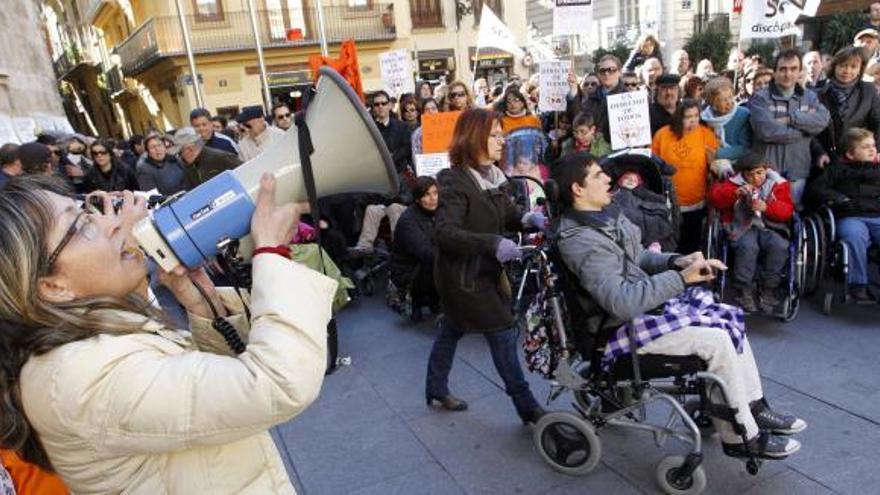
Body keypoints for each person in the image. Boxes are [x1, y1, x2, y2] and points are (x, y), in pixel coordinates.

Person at [0, 173, 335, 493]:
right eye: (82, 226)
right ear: (53, 287)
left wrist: (205, 307)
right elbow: (277, 383)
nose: (114, 222)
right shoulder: (80, 376)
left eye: (89, 212)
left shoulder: (93, 340)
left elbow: (209, 395)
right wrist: (271, 249)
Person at [552, 152, 805, 461]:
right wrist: (681, 278)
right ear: (578, 190)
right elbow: (622, 301)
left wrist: (677, 260)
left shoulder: (603, 214)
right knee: (717, 341)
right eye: (597, 176)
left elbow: (639, 257)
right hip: (618, 330)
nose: (608, 178)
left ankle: (753, 407)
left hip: (640, 313)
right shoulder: (581, 240)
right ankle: (741, 437)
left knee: (726, 316)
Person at [426, 108, 544, 424]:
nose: (501, 141)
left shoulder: (494, 176)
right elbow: (445, 232)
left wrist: (527, 219)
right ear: (474, 137)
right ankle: (528, 408)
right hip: (463, 278)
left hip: (484, 271)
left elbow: (506, 212)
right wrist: (492, 243)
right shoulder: (453, 180)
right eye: (494, 135)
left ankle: (435, 387)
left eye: (500, 134)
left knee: (452, 328)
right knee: (503, 331)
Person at [708, 153, 794, 312]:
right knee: (748, 247)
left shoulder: (778, 184)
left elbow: (788, 211)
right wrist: (734, 194)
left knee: (779, 246)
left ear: (766, 170)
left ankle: (768, 288)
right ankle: (744, 289)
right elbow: (715, 198)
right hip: (742, 226)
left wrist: (768, 208)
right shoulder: (734, 183)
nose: (756, 178)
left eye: (759, 173)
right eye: (750, 175)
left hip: (769, 226)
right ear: (743, 174)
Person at [807, 127, 880, 303]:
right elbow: (816, 189)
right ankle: (858, 285)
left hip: (877, 215)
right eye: (865, 147)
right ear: (850, 154)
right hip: (851, 216)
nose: (872, 149)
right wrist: (840, 198)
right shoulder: (837, 169)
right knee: (854, 236)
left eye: (873, 146)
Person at [750, 49, 830, 206]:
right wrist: (805, 130)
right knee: (768, 215)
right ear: (775, 72)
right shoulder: (761, 98)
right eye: (783, 69)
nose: (788, 74)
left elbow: (823, 120)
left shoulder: (810, 97)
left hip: (797, 170)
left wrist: (792, 118)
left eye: (793, 69)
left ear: (800, 71)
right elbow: (766, 131)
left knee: (793, 214)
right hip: (767, 172)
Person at [652, 99, 719, 254]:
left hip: (696, 199)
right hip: (670, 200)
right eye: (688, 116)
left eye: (696, 115)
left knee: (692, 242)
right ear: (679, 117)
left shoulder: (705, 134)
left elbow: (713, 162)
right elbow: (654, 163)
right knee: (672, 242)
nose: (693, 120)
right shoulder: (662, 135)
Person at [817, 46, 880, 166]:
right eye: (842, 65)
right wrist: (819, 153)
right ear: (834, 66)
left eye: (853, 66)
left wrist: (876, 150)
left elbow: (877, 122)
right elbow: (813, 131)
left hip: (860, 157)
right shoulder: (819, 94)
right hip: (828, 159)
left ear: (860, 69)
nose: (847, 71)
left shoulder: (868, 91)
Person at [390, 176, 440, 321]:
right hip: (409, 271)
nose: (433, 198)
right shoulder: (408, 221)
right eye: (427, 195)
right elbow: (425, 252)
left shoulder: (437, 212)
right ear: (418, 199)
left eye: (435, 193)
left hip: (425, 264)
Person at [702, 77, 753, 178]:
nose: (729, 102)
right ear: (713, 103)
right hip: (709, 167)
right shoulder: (705, 118)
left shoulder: (743, 114)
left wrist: (718, 153)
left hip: (738, 169)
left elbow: (746, 148)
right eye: (723, 100)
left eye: (730, 97)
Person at [566, 55, 624, 138]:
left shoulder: (629, 97)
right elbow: (578, 120)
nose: (606, 73)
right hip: (593, 148)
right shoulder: (591, 98)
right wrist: (574, 90)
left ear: (619, 72)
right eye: (602, 70)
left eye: (611, 70)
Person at [172, 127, 242, 188]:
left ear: (190, 149)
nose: (180, 157)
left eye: (180, 153)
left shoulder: (220, 158)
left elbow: (245, 173)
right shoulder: (189, 168)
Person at [371, 90, 413, 174]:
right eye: (377, 104)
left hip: (400, 172)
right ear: (373, 108)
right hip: (378, 173)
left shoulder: (403, 126)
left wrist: (391, 157)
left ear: (389, 105)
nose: (380, 106)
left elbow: (407, 148)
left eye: (383, 103)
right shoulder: (369, 129)